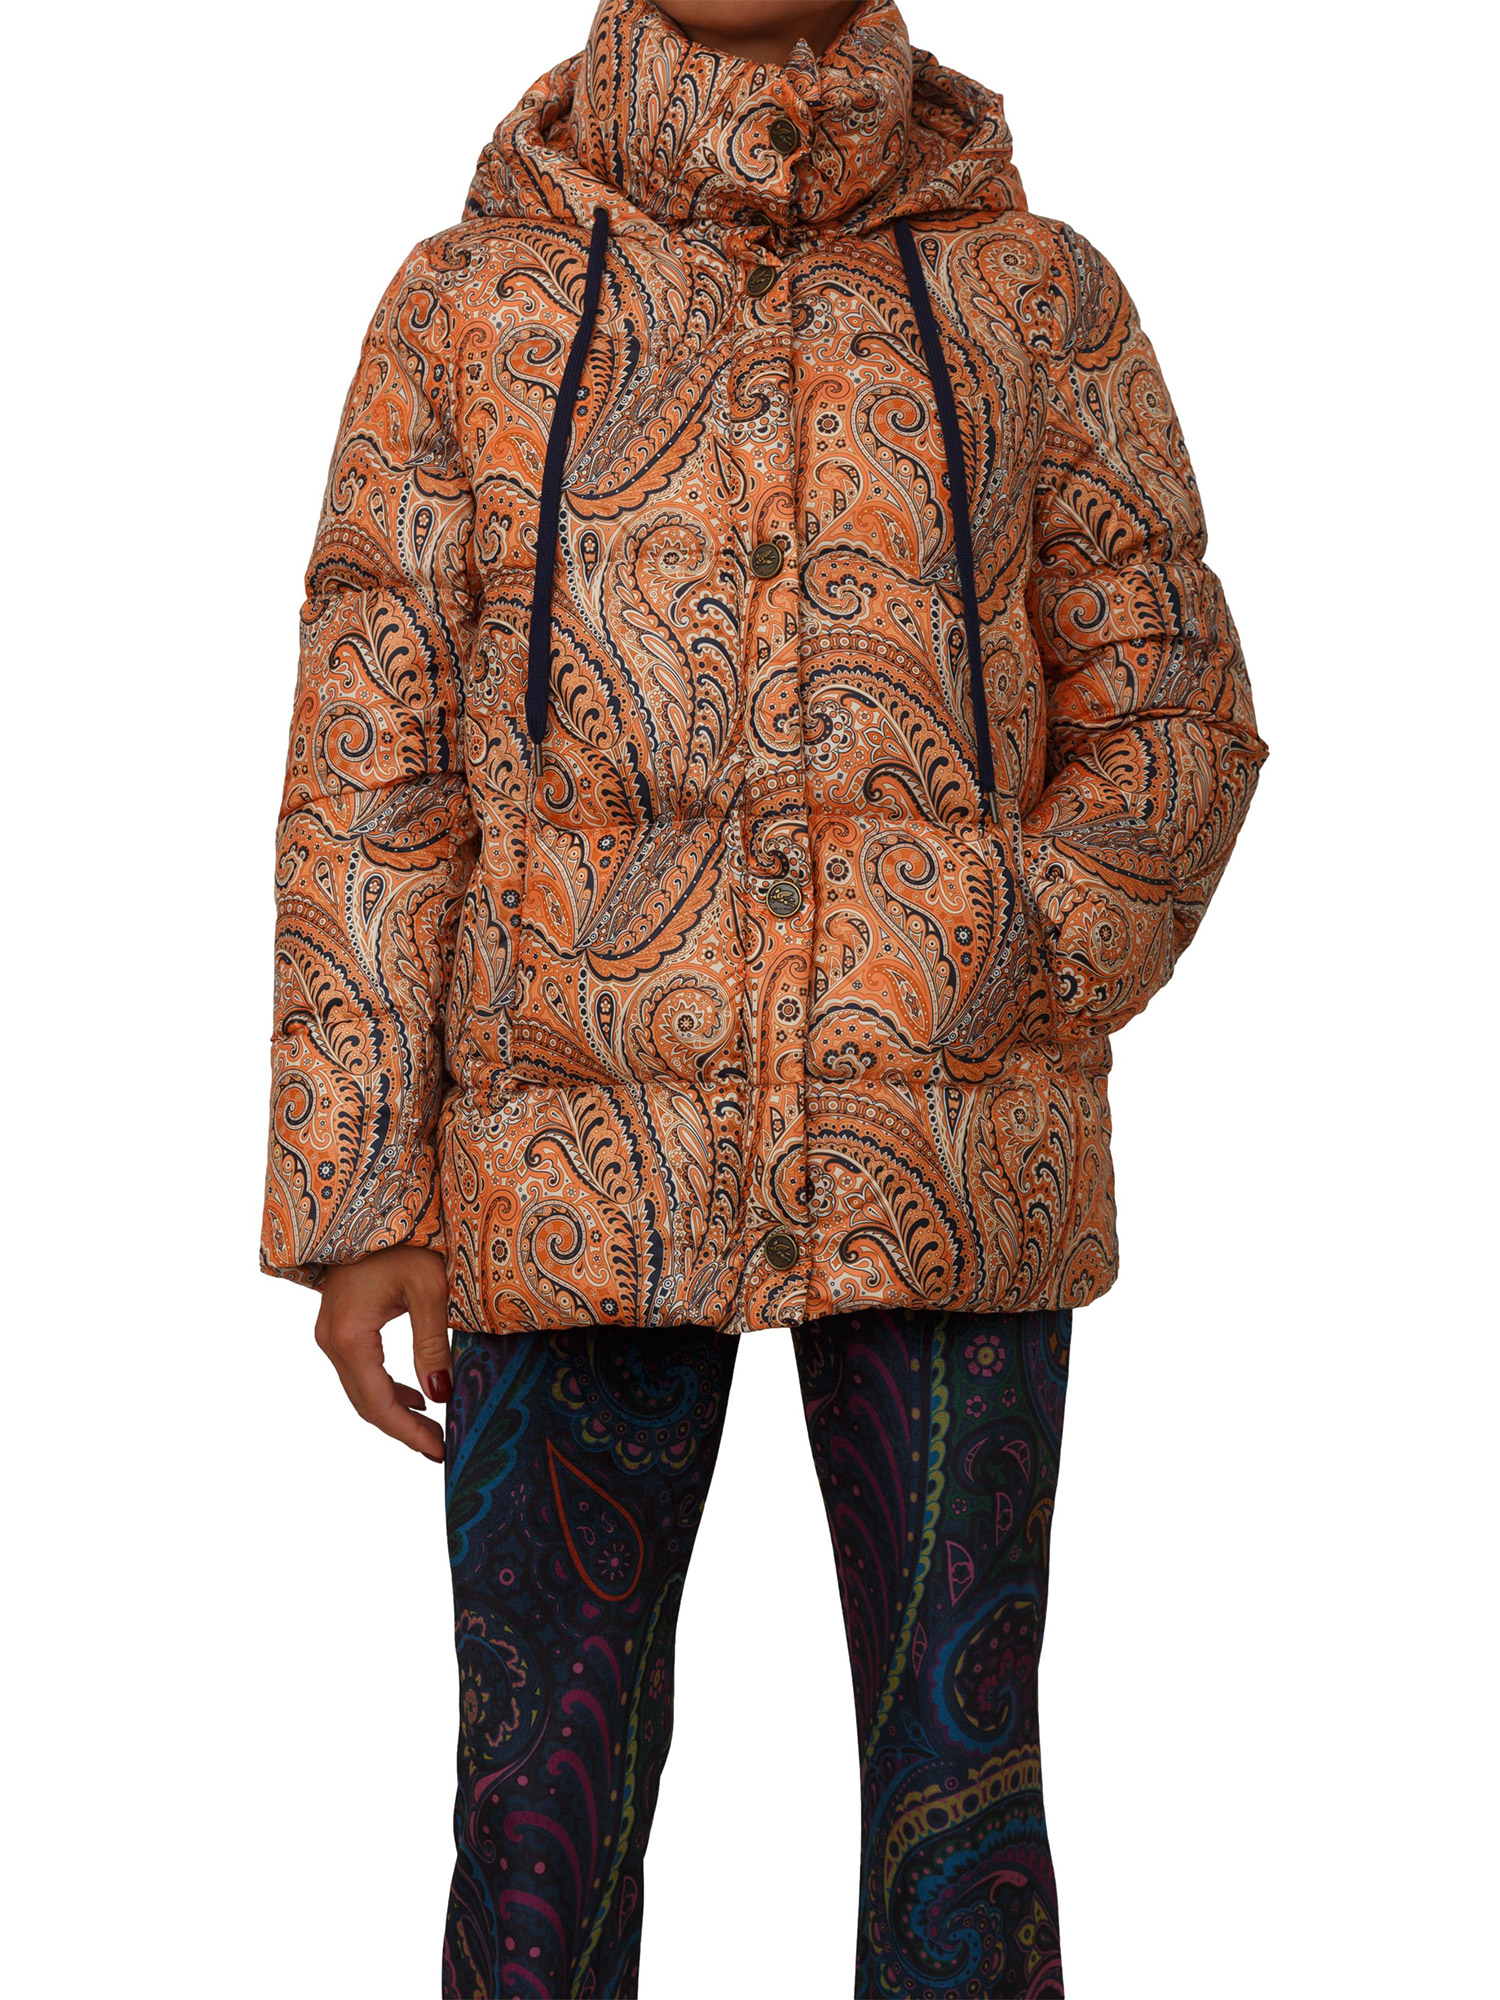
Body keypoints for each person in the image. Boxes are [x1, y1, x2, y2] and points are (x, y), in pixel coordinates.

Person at [259, 0, 1268, 1991]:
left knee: (961, 1808)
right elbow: (374, 759)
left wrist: (1001, 954)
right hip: (563, 1164)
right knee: (539, 1808)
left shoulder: (1034, 297)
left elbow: (1172, 704)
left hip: (946, 1149)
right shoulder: (467, 305)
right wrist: (363, 1191)